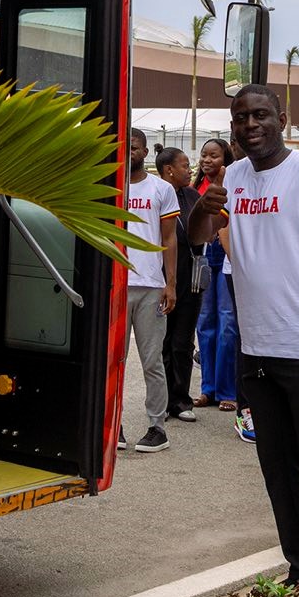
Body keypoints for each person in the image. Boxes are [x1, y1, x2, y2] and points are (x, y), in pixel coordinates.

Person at [188, 84, 299, 584]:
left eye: (261, 115)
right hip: (257, 350)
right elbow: (197, 238)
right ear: (233, 127)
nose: (251, 125)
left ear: (282, 119)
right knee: (277, 468)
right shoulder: (233, 178)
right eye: (242, 117)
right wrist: (206, 208)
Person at [120, 128, 180, 454]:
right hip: (115, 286)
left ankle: (157, 427)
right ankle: (112, 427)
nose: (130, 152)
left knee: (151, 361)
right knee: (112, 360)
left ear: (145, 152)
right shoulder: (109, 186)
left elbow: (170, 239)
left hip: (151, 287)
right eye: (124, 147)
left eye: (135, 148)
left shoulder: (162, 189)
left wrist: (170, 284)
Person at [156, 146, 203, 422]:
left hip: (191, 280)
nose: (190, 170)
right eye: (185, 166)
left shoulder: (192, 196)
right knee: (162, 341)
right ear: (169, 170)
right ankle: (161, 399)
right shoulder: (157, 194)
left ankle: (181, 400)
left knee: (183, 342)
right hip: (161, 278)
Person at [193, 139, 239, 415]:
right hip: (203, 256)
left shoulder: (230, 182)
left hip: (225, 254)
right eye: (204, 155)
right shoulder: (195, 187)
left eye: (214, 155)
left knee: (227, 323)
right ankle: (206, 388)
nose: (207, 160)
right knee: (204, 322)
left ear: (226, 158)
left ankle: (227, 389)